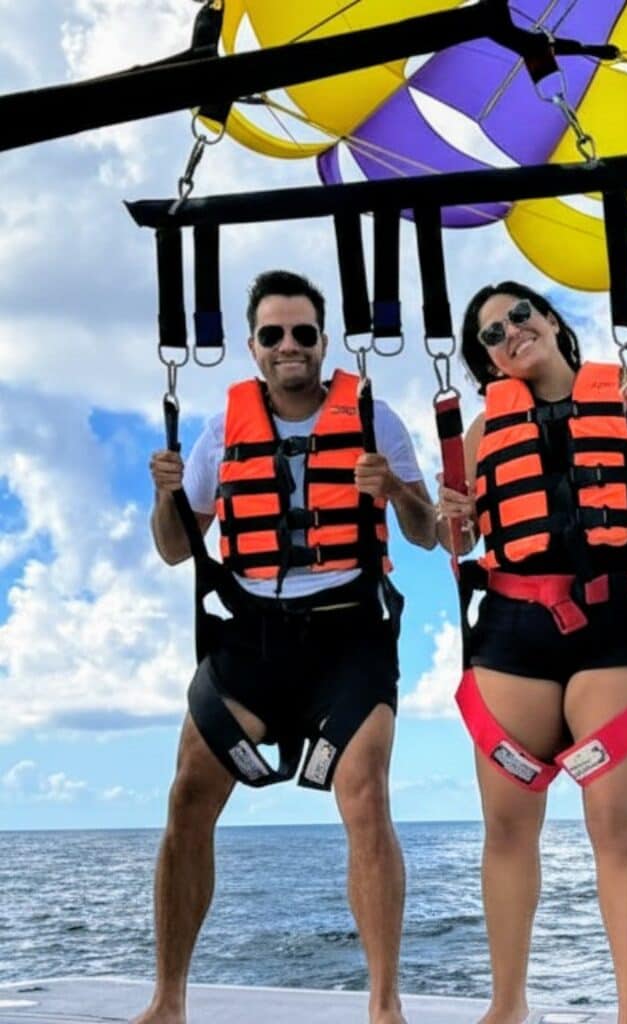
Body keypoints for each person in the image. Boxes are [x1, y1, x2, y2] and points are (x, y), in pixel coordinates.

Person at [138, 270, 435, 1024]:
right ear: (253, 347)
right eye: (274, 334)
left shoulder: (375, 417)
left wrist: (394, 490)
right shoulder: (221, 429)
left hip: (349, 636)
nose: (289, 346)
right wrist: (165, 494)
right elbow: (177, 550)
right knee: (187, 797)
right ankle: (168, 1000)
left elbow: (429, 532)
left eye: (303, 332)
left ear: (324, 341)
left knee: (364, 796)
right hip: (250, 639)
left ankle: (383, 1005)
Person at [436, 281, 627, 1024]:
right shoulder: (483, 433)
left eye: (519, 315)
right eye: (491, 335)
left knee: (616, 828)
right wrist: (447, 515)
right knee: (506, 827)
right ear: (486, 363)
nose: (511, 332)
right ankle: (507, 1005)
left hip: (615, 623)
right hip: (514, 630)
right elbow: (449, 537)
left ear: (550, 319)